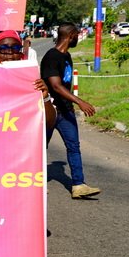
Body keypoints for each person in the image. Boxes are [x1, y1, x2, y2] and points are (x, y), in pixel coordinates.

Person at [0, 30, 56, 257]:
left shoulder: (31, 81)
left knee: (19, 221)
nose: (9, 52)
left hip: (18, 166)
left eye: (15, 48)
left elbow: (49, 122)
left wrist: (45, 96)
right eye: (2, 48)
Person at [41, 23, 101, 199]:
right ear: (71, 35)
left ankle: (78, 185)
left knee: (74, 146)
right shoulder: (52, 56)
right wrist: (80, 101)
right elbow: (55, 86)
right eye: (77, 35)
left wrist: (71, 104)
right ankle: (36, 184)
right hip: (50, 111)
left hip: (66, 111)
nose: (78, 38)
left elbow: (64, 84)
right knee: (40, 148)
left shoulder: (66, 55)